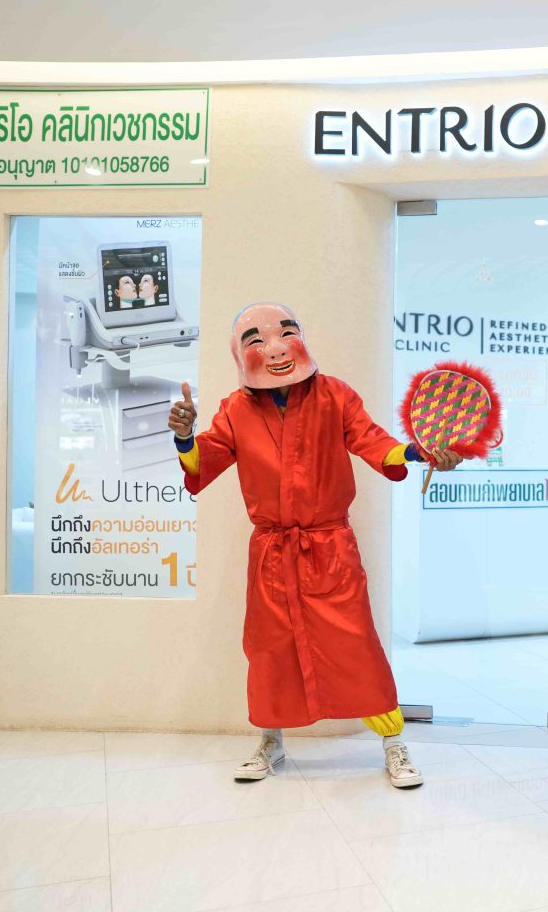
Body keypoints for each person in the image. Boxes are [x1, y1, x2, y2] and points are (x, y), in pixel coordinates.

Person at [167, 302, 462, 788]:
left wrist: (419, 449)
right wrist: (184, 438)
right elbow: (206, 460)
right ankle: (271, 741)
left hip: (331, 548)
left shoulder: (335, 396)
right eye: (256, 340)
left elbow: (375, 443)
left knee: (357, 644)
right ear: (240, 354)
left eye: (286, 333)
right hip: (271, 552)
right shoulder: (235, 409)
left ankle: (393, 743)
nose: (275, 348)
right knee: (270, 650)